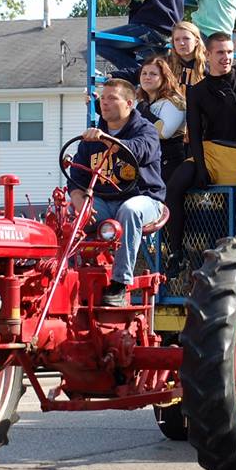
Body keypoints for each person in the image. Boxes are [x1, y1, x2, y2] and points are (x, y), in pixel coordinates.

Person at [163, 32, 236, 278]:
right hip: (209, 151)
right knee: (175, 185)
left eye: (230, 52)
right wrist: (199, 165)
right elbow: (195, 133)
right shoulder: (197, 90)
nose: (226, 57)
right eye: (220, 52)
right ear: (207, 55)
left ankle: (232, 261)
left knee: (231, 206)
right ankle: (176, 251)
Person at [68, 79, 165, 306]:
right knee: (72, 214)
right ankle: (69, 275)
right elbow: (76, 178)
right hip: (104, 200)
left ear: (129, 103)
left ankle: (120, 284)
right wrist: (78, 199)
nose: (105, 103)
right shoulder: (91, 139)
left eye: (112, 98)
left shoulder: (146, 130)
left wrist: (108, 140)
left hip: (145, 199)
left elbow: (140, 152)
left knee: (129, 211)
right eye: (103, 98)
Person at [135, 56, 186, 183]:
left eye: (153, 74)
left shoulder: (174, 101)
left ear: (164, 77)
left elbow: (164, 133)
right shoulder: (143, 103)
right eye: (144, 73)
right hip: (148, 162)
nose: (147, 77)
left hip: (169, 163)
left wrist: (144, 112)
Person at [168, 21, 207, 97]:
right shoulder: (165, 65)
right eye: (177, 39)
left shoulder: (209, 66)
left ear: (196, 41)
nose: (181, 43)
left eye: (186, 38)